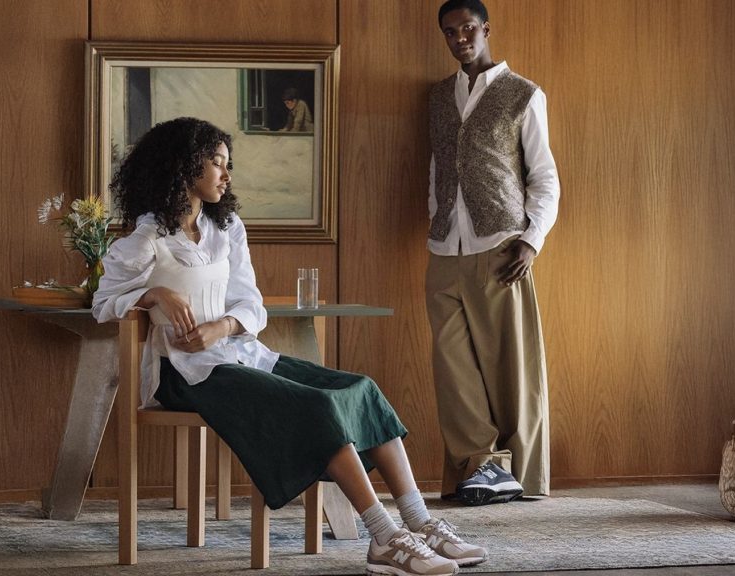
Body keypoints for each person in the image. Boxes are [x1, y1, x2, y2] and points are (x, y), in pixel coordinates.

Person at [92, 117, 486, 575]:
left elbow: (252, 304)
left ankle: (419, 522)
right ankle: (384, 537)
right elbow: (102, 303)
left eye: (228, 164)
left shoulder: (226, 227)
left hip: (240, 354)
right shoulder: (148, 238)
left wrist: (223, 326)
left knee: (360, 388)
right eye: (216, 163)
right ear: (184, 166)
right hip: (184, 375)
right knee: (315, 408)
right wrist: (154, 294)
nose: (226, 174)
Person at [426, 0, 560, 506]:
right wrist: (436, 215)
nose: (459, 38)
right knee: (453, 371)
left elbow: (544, 177)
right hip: (444, 249)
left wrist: (531, 240)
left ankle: (521, 474)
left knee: (512, 369)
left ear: (486, 29)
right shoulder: (438, 97)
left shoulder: (523, 93)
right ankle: (482, 465)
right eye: (450, 32)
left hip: (502, 246)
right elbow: (437, 169)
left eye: (467, 28)